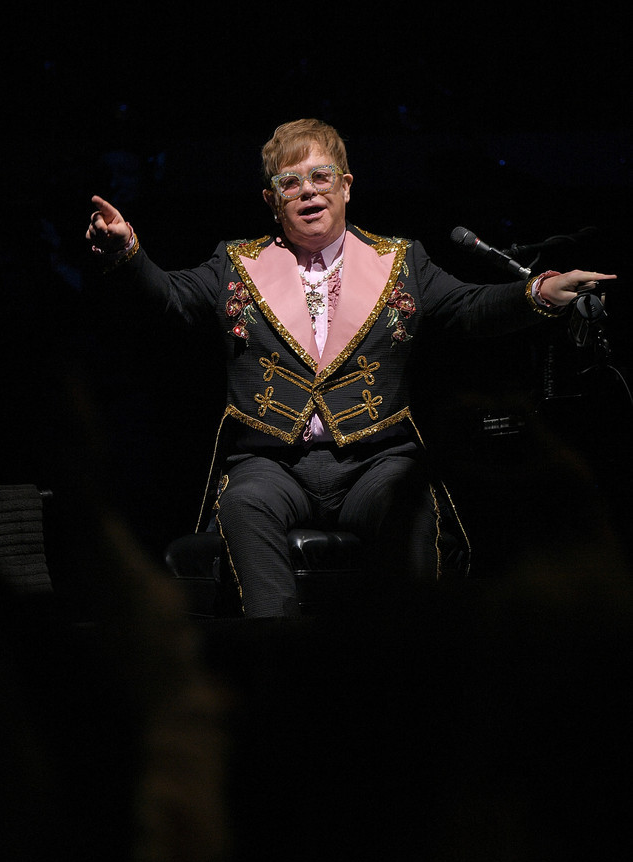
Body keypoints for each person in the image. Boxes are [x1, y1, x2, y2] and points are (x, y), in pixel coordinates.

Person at [86, 118, 616, 617]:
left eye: (321, 177)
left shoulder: (401, 261)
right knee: (243, 504)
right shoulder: (236, 263)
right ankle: (274, 654)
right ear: (272, 201)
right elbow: (170, 298)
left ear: (345, 187)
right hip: (271, 464)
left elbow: (470, 307)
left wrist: (540, 292)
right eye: (290, 183)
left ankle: (410, 655)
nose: (308, 191)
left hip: (375, 460)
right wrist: (126, 251)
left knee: (410, 504)